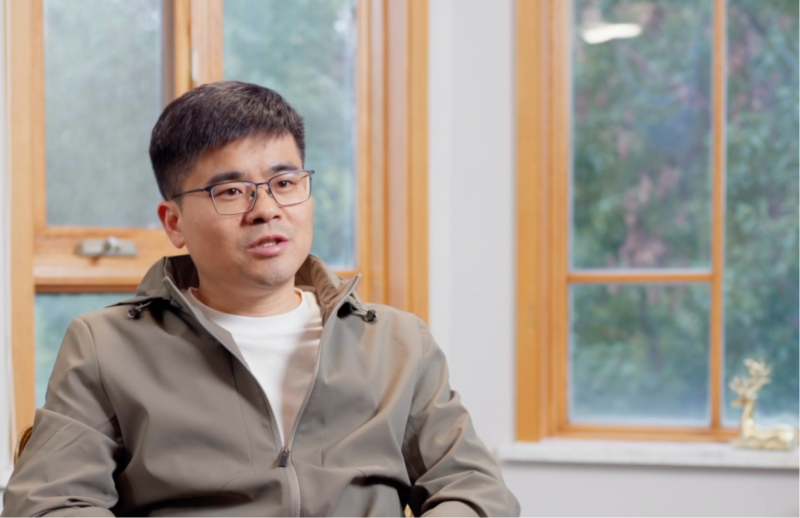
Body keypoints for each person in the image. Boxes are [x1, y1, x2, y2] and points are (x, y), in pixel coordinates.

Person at [3, 81, 520, 517]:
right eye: (230, 191)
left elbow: (476, 492)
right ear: (174, 223)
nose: (266, 209)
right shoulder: (106, 346)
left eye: (285, 182)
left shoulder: (396, 343)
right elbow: (48, 504)